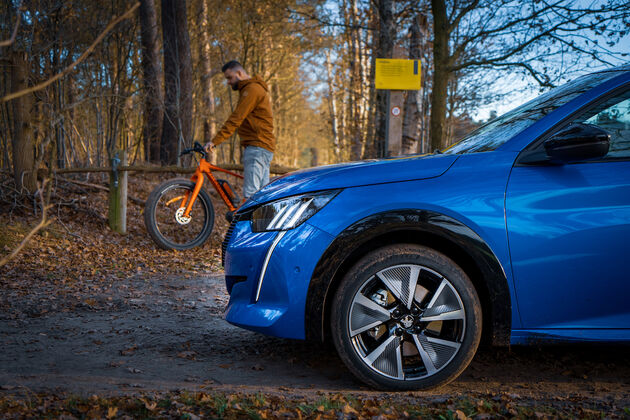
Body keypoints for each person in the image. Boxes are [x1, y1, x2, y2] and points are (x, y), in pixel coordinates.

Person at [204, 61, 275, 202]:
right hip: (262, 146)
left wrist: (214, 141)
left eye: (230, 78)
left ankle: (246, 224)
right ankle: (263, 224)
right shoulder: (251, 89)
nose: (228, 82)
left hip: (257, 146)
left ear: (240, 73)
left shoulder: (252, 90)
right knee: (262, 197)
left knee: (251, 196)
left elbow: (236, 119)